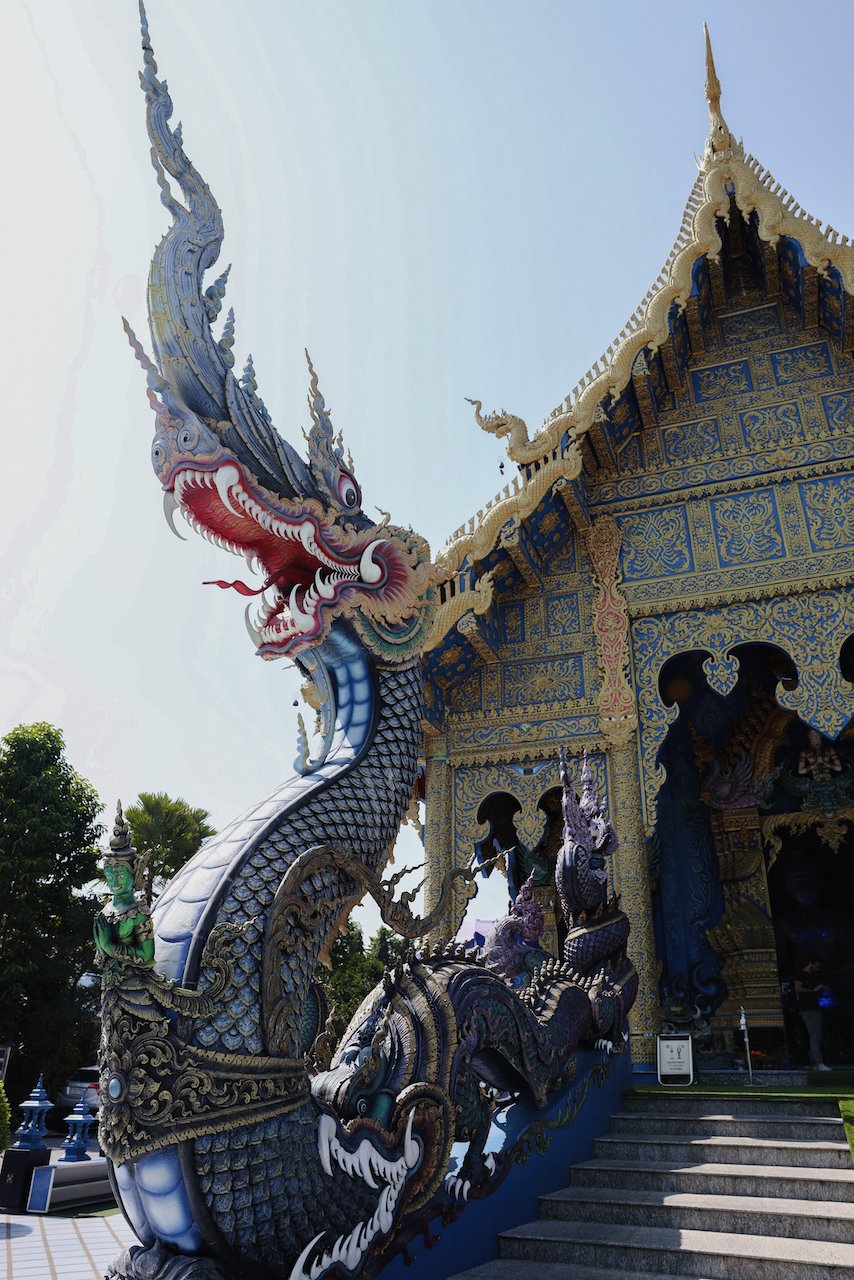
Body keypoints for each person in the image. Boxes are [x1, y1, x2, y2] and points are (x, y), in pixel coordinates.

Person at [93, 801, 155, 971]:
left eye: (120, 875)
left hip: (134, 989)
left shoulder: (139, 913)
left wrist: (108, 946)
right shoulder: (107, 910)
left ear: (134, 873)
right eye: (110, 875)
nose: (114, 881)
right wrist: (102, 947)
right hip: (110, 986)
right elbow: (100, 959)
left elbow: (147, 956)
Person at [794, 957, 830, 1070]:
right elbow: (797, 988)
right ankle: (818, 1062)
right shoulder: (801, 974)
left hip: (814, 1007)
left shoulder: (811, 977)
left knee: (816, 1035)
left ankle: (815, 1062)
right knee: (815, 1035)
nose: (817, 969)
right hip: (808, 1009)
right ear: (810, 963)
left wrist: (820, 989)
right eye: (816, 966)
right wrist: (812, 991)